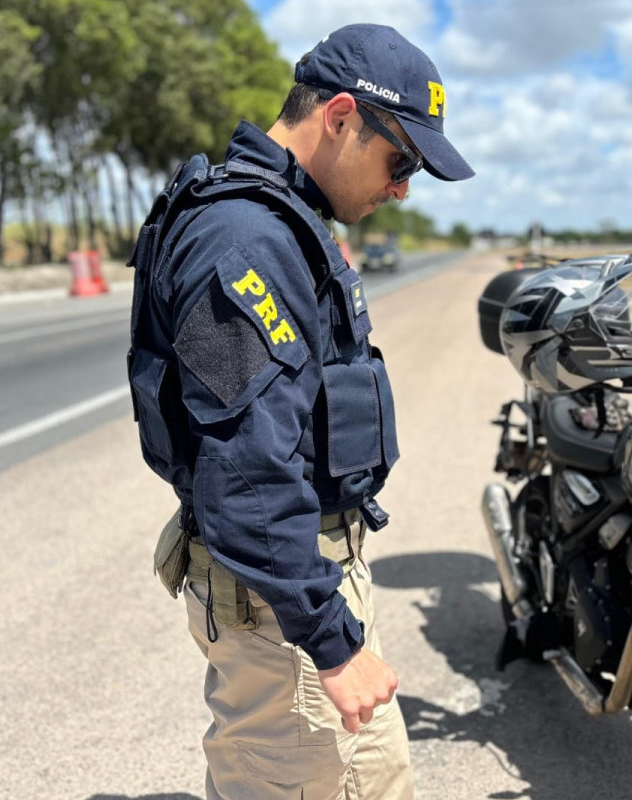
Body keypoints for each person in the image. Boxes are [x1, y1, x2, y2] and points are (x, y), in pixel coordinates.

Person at [126, 23, 473, 800]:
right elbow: (247, 473)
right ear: (342, 116)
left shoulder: (279, 221)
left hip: (299, 581)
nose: (404, 188)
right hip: (282, 603)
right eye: (402, 160)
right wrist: (332, 643)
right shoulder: (245, 237)